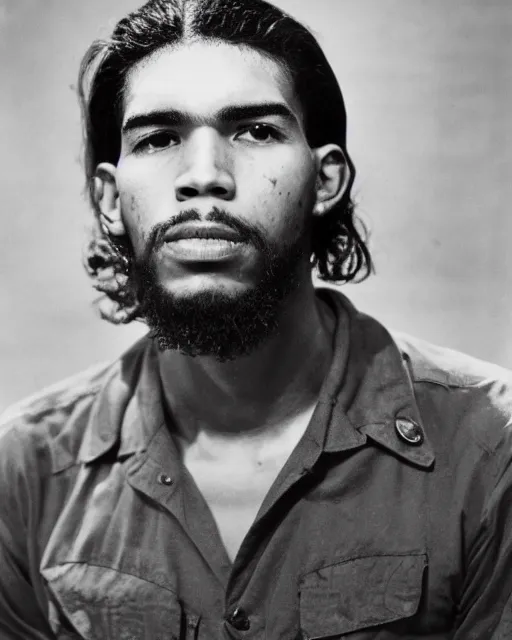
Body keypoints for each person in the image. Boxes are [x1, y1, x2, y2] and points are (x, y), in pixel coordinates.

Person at [1, 0, 511, 638]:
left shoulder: (491, 448)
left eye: (257, 132)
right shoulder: (23, 471)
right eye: (159, 138)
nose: (204, 176)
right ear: (109, 198)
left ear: (325, 181)